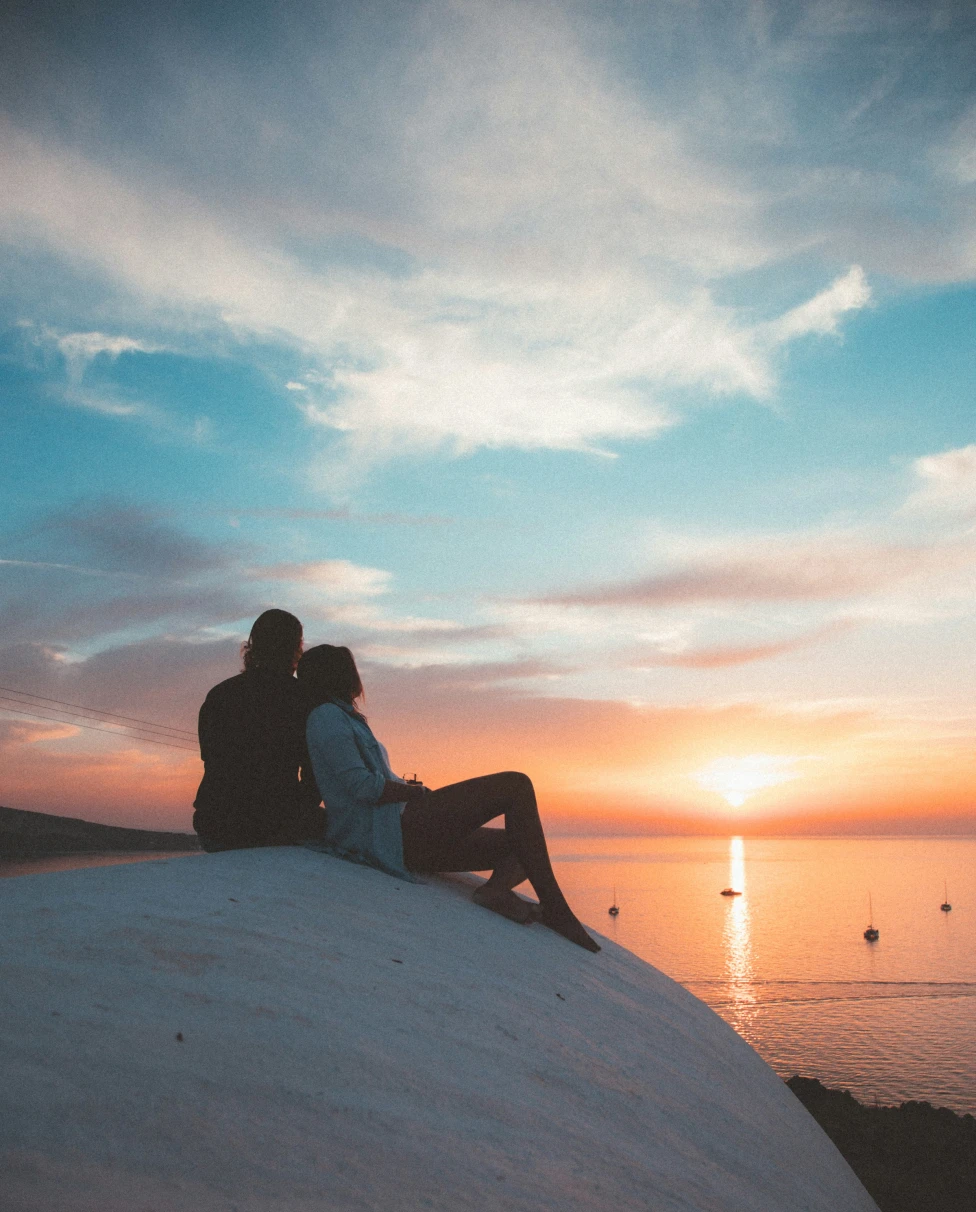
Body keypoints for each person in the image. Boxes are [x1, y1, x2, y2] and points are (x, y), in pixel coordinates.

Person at [296, 643, 599, 953]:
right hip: (391, 830)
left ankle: (494, 892)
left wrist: (412, 791)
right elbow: (360, 786)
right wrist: (415, 793)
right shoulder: (326, 716)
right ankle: (557, 909)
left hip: (403, 833)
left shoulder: (345, 717)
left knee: (522, 844)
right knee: (516, 785)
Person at [193, 609, 325, 851]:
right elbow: (313, 777)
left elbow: (211, 759)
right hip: (273, 826)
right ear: (296, 649)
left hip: (215, 825)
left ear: (253, 647)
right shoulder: (303, 699)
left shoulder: (220, 694)